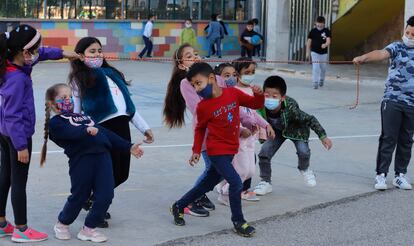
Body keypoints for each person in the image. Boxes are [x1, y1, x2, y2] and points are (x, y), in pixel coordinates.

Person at [0, 24, 78, 243]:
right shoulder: (16, 79)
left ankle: (1, 223)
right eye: (34, 50)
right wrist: (21, 146)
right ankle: (22, 229)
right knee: (18, 182)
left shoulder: (11, 63)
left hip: (4, 133)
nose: (37, 53)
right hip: (17, 136)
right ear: (24, 53)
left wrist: (63, 53)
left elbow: (41, 54)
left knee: (5, 177)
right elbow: (13, 114)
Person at [170, 62, 265, 237]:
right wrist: (196, 150)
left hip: (230, 149)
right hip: (216, 151)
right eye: (193, 85)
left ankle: (178, 205)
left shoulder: (232, 93)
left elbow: (254, 104)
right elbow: (199, 129)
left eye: (198, 83)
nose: (196, 89)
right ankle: (239, 222)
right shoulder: (203, 106)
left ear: (212, 78)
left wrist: (259, 96)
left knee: (207, 184)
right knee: (236, 182)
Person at [40, 84, 143, 243]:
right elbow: (68, 133)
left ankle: (89, 229)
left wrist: (127, 146)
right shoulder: (55, 123)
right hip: (82, 161)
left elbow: (106, 133)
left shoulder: (85, 117)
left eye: (70, 96)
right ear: (52, 104)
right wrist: (85, 131)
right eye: (63, 97)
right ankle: (62, 224)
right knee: (80, 196)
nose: (69, 100)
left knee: (106, 194)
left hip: (103, 158)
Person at [69, 37, 153, 227]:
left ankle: (90, 198)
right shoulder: (80, 78)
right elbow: (77, 109)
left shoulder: (112, 73)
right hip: (102, 129)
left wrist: (145, 127)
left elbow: (128, 107)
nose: (97, 54)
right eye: (92, 51)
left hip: (122, 127)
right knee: (107, 172)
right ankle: (98, 209)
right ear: (80, 56)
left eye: (99, 50)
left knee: (122, 173)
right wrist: (77, 132)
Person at [353, 16, 414, 191]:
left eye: (412, 35)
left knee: (407, 140)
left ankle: (400, 176)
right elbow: (381, 53)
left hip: (412, 104)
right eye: (407, 32)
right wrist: (363, 57)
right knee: (389, 138)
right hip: (392, 100)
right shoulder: (396, 47)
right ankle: (381, 175)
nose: (408, 36)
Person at [253, 76, 333, 196]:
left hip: (296, 131)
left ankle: (305, 169)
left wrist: (323, 136)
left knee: (303, 152)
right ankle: (265, 182)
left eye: (274, 96)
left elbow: (310, 119)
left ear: (282, 97)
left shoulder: (291, 107)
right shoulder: (260, 106)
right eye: (267, 95)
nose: (270, 99)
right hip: (276, 132)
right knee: (264, 153)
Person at [213, 62, 275, 205]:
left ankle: (225, 188)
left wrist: (266, 125)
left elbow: (253, 112)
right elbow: (228, 118)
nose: (232, 78)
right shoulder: (223, 96)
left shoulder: (241, 92)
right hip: (238, 139)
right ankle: (225, 193)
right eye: (227, 76)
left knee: (250, 171)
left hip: (250, 139)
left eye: (234, 75)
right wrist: (241, 129)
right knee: (241, 171)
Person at [306, 16, 331, 89]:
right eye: (318, 24)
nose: (319, 25)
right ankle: (315, 82)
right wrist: (307, 52)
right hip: (314, 52)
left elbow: (328, 41)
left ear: (324, 23)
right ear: (316, 23)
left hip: (323, 53)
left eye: (321, 24)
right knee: (315, 67)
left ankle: (321, 79)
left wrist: (325, 44)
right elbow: (308, 42)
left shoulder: (327, 31)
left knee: (323, 68)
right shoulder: (312, 31)